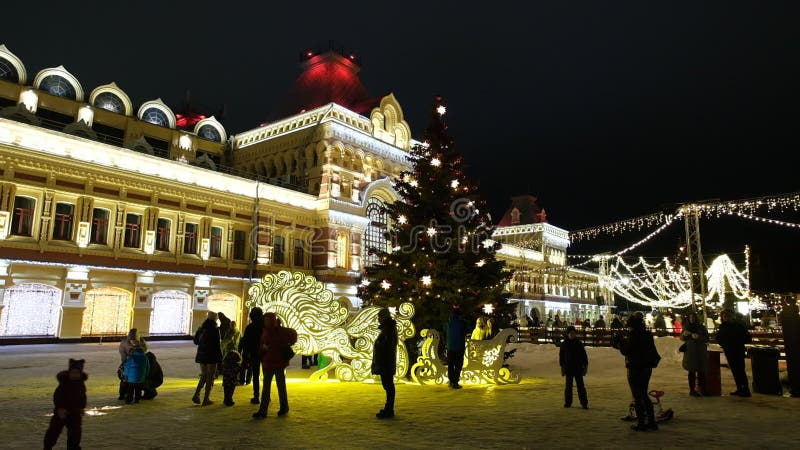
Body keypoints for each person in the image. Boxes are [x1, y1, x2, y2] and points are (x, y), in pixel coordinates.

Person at [614, 312, 660, 431]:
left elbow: (626, 350)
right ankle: (651, 421)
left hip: (635, 367)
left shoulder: (634, 336)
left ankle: (641, 423)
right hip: (646, 367)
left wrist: (620, 341)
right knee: (644, 394)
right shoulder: (647, 334)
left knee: (637, 396)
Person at [253, 312, 298, 419]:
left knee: (276, 387)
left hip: (276, 362)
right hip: (270, 362)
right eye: (265, 320)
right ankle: (270, 409)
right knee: (270, 387)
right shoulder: (268, 330)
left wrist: (285, 345)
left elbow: (292, 335)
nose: (266, 322)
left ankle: (277, 408)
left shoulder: (276, 331)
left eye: (267, 320)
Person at [44, 358, 87, 450]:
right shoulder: (64, 383)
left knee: (75, 434)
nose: (75, 375)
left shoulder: (81, 384)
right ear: (69, 373)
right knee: (54, 431)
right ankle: (47, 446)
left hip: (75, 413)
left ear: (80, 374)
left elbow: (83, 397)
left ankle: (73, 447)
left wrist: (81, 407)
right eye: (73, 373)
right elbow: (57, 396)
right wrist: (60, 408)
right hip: (61, 413)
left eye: (77, 373)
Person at [716, 309, 752, 397]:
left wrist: (736, 341)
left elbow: (747, 337)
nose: (726, 318)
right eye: (724, 317)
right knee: (735, 370)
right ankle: (740, 388)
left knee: (740, 370)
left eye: (727, 316)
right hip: (729, 350)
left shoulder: (738, 326)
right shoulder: (723, 326)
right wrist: (722, 342)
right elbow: (719, 337)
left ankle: (745, 389)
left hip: (737, 350)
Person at [372, 308, 398, 418]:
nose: (378, 319)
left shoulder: (388, 329)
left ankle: (389, 409)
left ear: (384, 317)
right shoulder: (388, 328)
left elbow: (387, 345)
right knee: (387, 385)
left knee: (388, 385)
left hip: (385, 362)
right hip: (385, 361)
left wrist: (378, 345)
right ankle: (388, 408)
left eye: (379, 317)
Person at [193, 311, 223, 406]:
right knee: (210, 377)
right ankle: (206, 399)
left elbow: (196, 341)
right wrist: (220, 359)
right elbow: (217, 345)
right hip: (212, 356)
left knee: (204, 375)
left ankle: (196, 394)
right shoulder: (215, 329)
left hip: (202, 355)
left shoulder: (201, 328)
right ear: (215, 319)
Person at [238, 307, 264, 404]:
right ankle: (266, 395)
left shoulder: (250, 327)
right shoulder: (264, 327)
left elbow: (246, 342)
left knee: (256, 376)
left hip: (254, 354)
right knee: (266, 376)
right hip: (265, 354)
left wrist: (245, 355)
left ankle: (256, 396)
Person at [559, 326, 588, 409]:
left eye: (573, 333)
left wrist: (585, 366)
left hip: (578, 368)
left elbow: (584, 356)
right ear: (567, 334)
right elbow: (561, 357)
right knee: (568, 386)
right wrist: (562, 367)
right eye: (570, 333)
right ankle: (568, 402)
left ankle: (584, 403)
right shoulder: (564, 344)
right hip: (568, 368)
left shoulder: (579, 344)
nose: (572, 335)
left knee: (580, 386)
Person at [681, 312, 709, 396]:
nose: (691, 319)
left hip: (700, 351)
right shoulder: (686, 327)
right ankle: (692, 390)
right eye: (690, 318)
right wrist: (684, 335)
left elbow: (706, 338)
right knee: (691, 371)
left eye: (693, 317)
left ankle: (702, 389)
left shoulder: (701, 327)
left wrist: (699, 337)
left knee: (701, 371)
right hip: (690, 352)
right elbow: (682, 338)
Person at [117, 328, 146, 400]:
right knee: (124, 379)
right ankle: (122, 394)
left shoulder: (142, 342)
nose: (133, 342)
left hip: (138, 360)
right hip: (128, 360)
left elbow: (144, 350)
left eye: (135, 341)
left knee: (137, 381)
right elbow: (123, 354)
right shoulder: (124, 344)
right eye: (132, 341)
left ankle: (145, 393)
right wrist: (125, 362)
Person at [447, 305, 468, 389]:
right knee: (458, 365)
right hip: (459, 346)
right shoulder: (462, 323)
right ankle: (455, 382)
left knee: (450, 365)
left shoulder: (449, 322)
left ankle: (451, 381)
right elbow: (466, 331)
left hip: (450, 346)